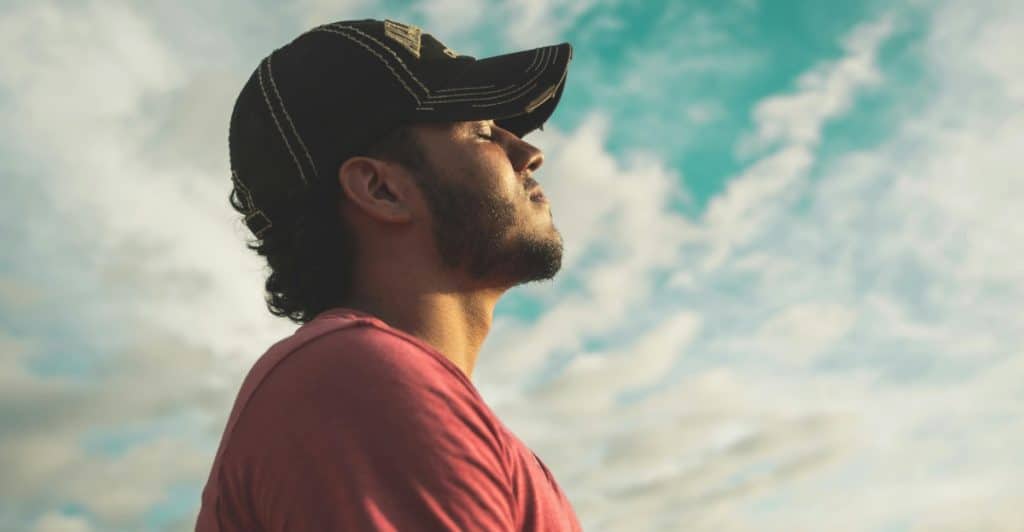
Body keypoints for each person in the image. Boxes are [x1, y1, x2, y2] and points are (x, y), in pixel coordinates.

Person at [194, 18, 581, 531]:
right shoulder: (356, 381)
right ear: (381, 190)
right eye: (482, 131)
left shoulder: (376, 389)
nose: (529, 153)